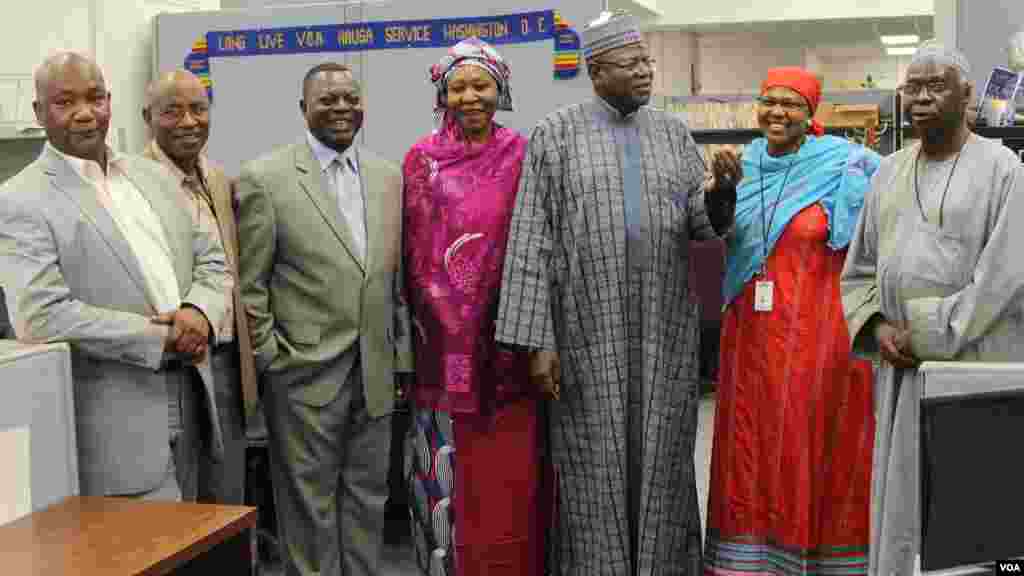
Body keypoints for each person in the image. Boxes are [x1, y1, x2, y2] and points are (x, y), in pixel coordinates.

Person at [496, 11, 740, 575]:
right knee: (591, 463)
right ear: (596, 71)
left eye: (647, 62)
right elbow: (531, 238)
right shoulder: (554, 135)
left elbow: (700, 225)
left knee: (663, 457)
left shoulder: (674, 133)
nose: (646, 73)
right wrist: (539, 343)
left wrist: (722, 191)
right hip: (585, 329)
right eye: (631, 64)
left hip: (664, 330)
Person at [0, 52, 231, 500]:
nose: (85, 113)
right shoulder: (19, 199)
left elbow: (213, 259)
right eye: (65, 102)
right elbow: (41, 316)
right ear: (39, 112)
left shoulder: (154, 176)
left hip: (195, 398)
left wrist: (199, 312)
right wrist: (160, 337)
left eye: (95, 98)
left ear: (110, 102)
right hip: (115, 426)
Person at [841, 41, 1024, 576]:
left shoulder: (1004, 170)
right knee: (904, 500)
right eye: (911, 89)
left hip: (977, 366)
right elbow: (858, 270)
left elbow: (1004, 278)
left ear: (967, 96)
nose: (919, 99)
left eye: (934, 86)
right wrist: (878, 329)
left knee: (972, 508)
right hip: (902, 374)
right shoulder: (887, 172)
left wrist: (926, 334)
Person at [235, 61, 413, 576]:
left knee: (368, 499)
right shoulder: (265, 179)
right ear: (303, 109)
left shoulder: (387, 176)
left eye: (349, 98)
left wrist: (399, 358)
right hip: (303, 378)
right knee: (307, 508)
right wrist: (273, 360)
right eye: (327, 100)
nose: (341, 108)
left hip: (374, 374)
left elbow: (392, 278)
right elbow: (251, 286)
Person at [703, 67, 879, 576]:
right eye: (768, 101)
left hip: (818, 337)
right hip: (750, 337)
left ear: (811, 113)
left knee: (810, 441)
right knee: (751, 444)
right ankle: (750, 562)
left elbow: (881, 235)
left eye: (792, 103)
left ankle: (819, 560)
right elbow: (715, 230)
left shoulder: (849, 166)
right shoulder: (741, 165)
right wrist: (721, 192)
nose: (777, 112)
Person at [402, 38, 547, 576]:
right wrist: (442, 318)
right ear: (442, 94)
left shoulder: (524, 154)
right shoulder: (422, 158)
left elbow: (538, 241)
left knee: (510, 475)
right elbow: (412, 251)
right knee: (450, 477)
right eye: (458, 86)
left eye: (481, 85)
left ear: (501, 89)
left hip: (511, 339)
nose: (470, 96)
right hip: (440, 345)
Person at [141, 69, 256, 505]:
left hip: (227, 360)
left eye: (199, 109)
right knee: (182, 497)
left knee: (228, 496)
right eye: (172, 111)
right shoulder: (134, 183)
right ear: (147, 116)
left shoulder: (218, 178)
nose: (189, 121)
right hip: (174, 364)